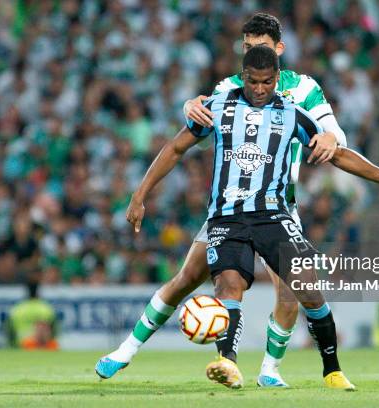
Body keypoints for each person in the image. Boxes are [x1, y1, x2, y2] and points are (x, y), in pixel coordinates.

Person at [121, 46, 379, 389]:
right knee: (228, 285)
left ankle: (332, 371)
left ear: (277, 79)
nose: (260, 89)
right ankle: (228, 364)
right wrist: (140, 194)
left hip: (272, 215)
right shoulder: (218, 107)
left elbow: (339, 156)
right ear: (243, 76)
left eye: (267, 82)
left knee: (308, 288)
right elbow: (175, 148)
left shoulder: (292, 113)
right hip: (227, 218)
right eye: (253, 81)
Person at [96, 13, 347, 388]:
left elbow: (334, 135)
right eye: (245, 48)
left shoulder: (305, 88)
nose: (250, 54)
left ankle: (269, 370)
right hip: (229, 206)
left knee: (292, 292)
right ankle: (125, 351)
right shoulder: (233, 84)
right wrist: (188, 104)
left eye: (258, 48)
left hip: (279, 206)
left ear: (278, 49)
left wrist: (332, 137)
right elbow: (197, 116)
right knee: (186, 279)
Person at [6, 282, 59, 350]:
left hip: (21, 344)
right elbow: (54, 330)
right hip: (41, 345)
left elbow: (9, 330)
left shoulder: (17, 309)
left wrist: (12, 346)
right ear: (38, 293)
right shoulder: (46, 308)